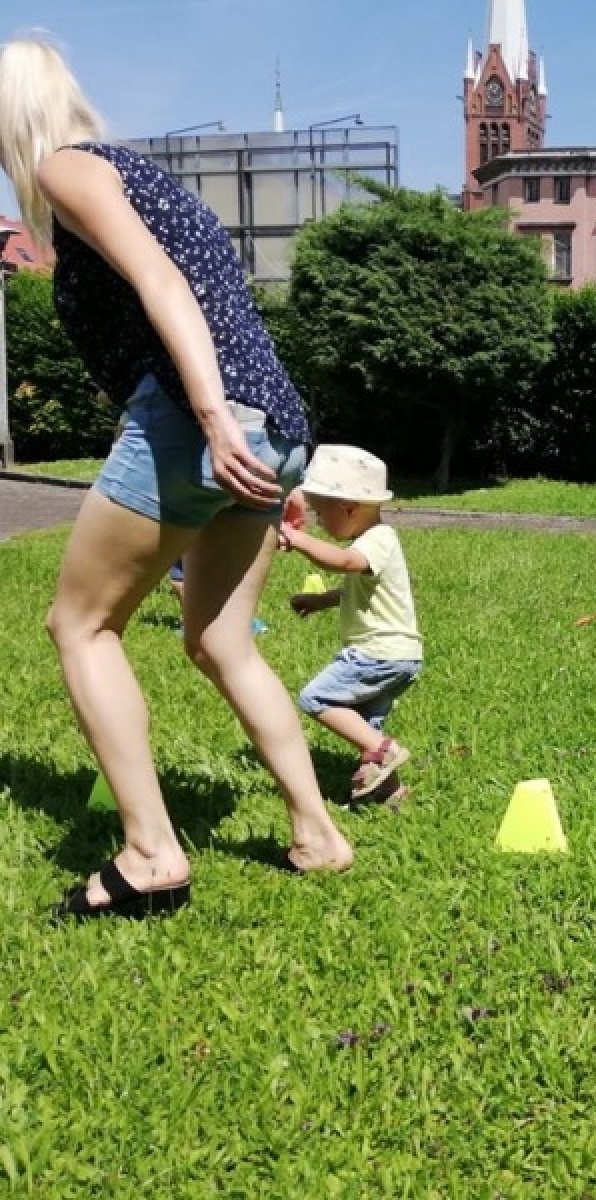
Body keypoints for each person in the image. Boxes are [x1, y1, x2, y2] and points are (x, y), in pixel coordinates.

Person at [0, 36, 353, 918]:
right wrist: (265, 447)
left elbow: (165, 286)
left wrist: (211, 418)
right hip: (274, 421)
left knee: (80, 625)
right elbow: (217, 301)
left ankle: (153, 854)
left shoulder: (65, 170)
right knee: (222, 641)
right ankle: (318, 832)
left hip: (203, 421)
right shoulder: (139, 174)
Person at [280, 446, 422, 804]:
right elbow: (356, 590)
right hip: (398, 656)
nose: (319, 523)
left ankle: (385, 751)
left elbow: (344, 562)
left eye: (320, 513)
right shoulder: (372, 541)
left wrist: (298, 539)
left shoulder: (378, 539)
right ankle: (389, 793)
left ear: (347, 508)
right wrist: (321, 601)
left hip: (378, 654)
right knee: (366, 726)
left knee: (316, 697)